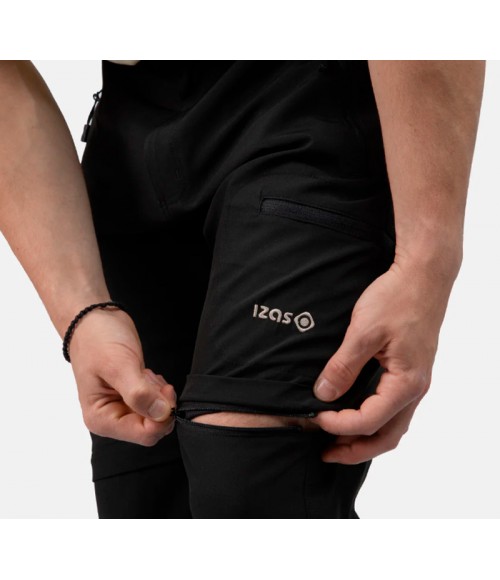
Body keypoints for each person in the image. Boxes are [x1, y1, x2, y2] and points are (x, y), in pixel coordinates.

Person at [0, 60, 485, 518]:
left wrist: (426, 264)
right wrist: (83, 310)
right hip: (131, 135)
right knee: (146, 492)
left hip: (303, 102)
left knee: (245, 477)